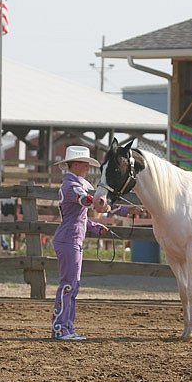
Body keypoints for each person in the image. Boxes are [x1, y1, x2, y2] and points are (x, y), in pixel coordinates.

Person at [52, 145, 144, 341]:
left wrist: (96, 226)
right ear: (76, 164)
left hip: (71, 238)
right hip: (69, 239)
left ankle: (66, 326)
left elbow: (82, 216)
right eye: (85, 164)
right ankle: (60, 328)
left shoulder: (77, 184)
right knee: (69, 285)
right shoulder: (72, 186)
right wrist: (120, 209)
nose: (87, 168)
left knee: (72, 285)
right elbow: (88, 201)